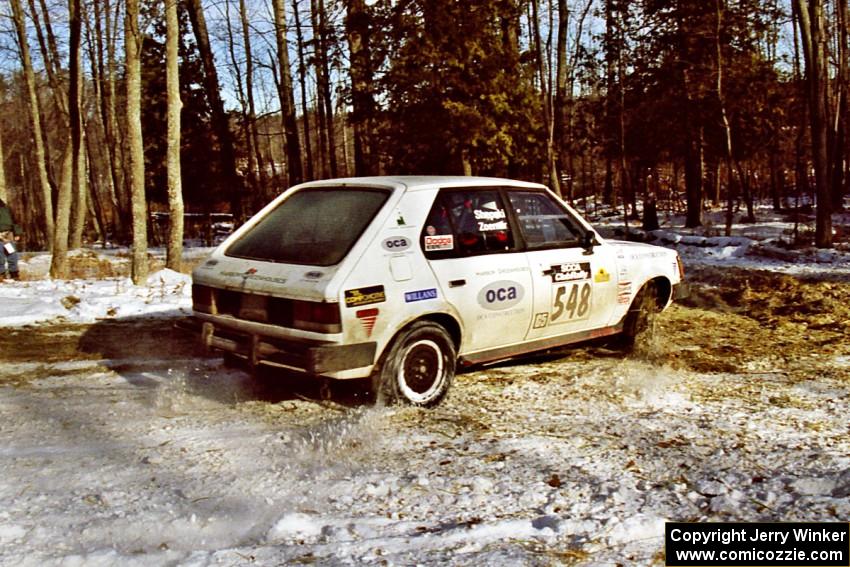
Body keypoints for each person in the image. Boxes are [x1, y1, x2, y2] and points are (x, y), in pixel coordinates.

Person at [0, 198, 22, 280]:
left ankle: (14, 274)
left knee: (12, 254)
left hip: (8, 235)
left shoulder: (7, 209)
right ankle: (1, 274)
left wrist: (17, 233)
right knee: (0, 256)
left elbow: (15, 221)